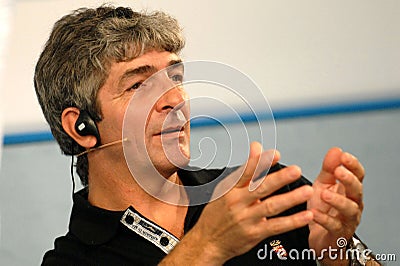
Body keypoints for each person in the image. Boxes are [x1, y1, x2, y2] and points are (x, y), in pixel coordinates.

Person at [34, 5, 379, 265]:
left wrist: (335, 252)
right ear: (81, 127)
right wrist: (207, 246)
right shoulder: (70, 260)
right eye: (138, 85)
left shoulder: (267, 191)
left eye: (175, 79)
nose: (174, 99)